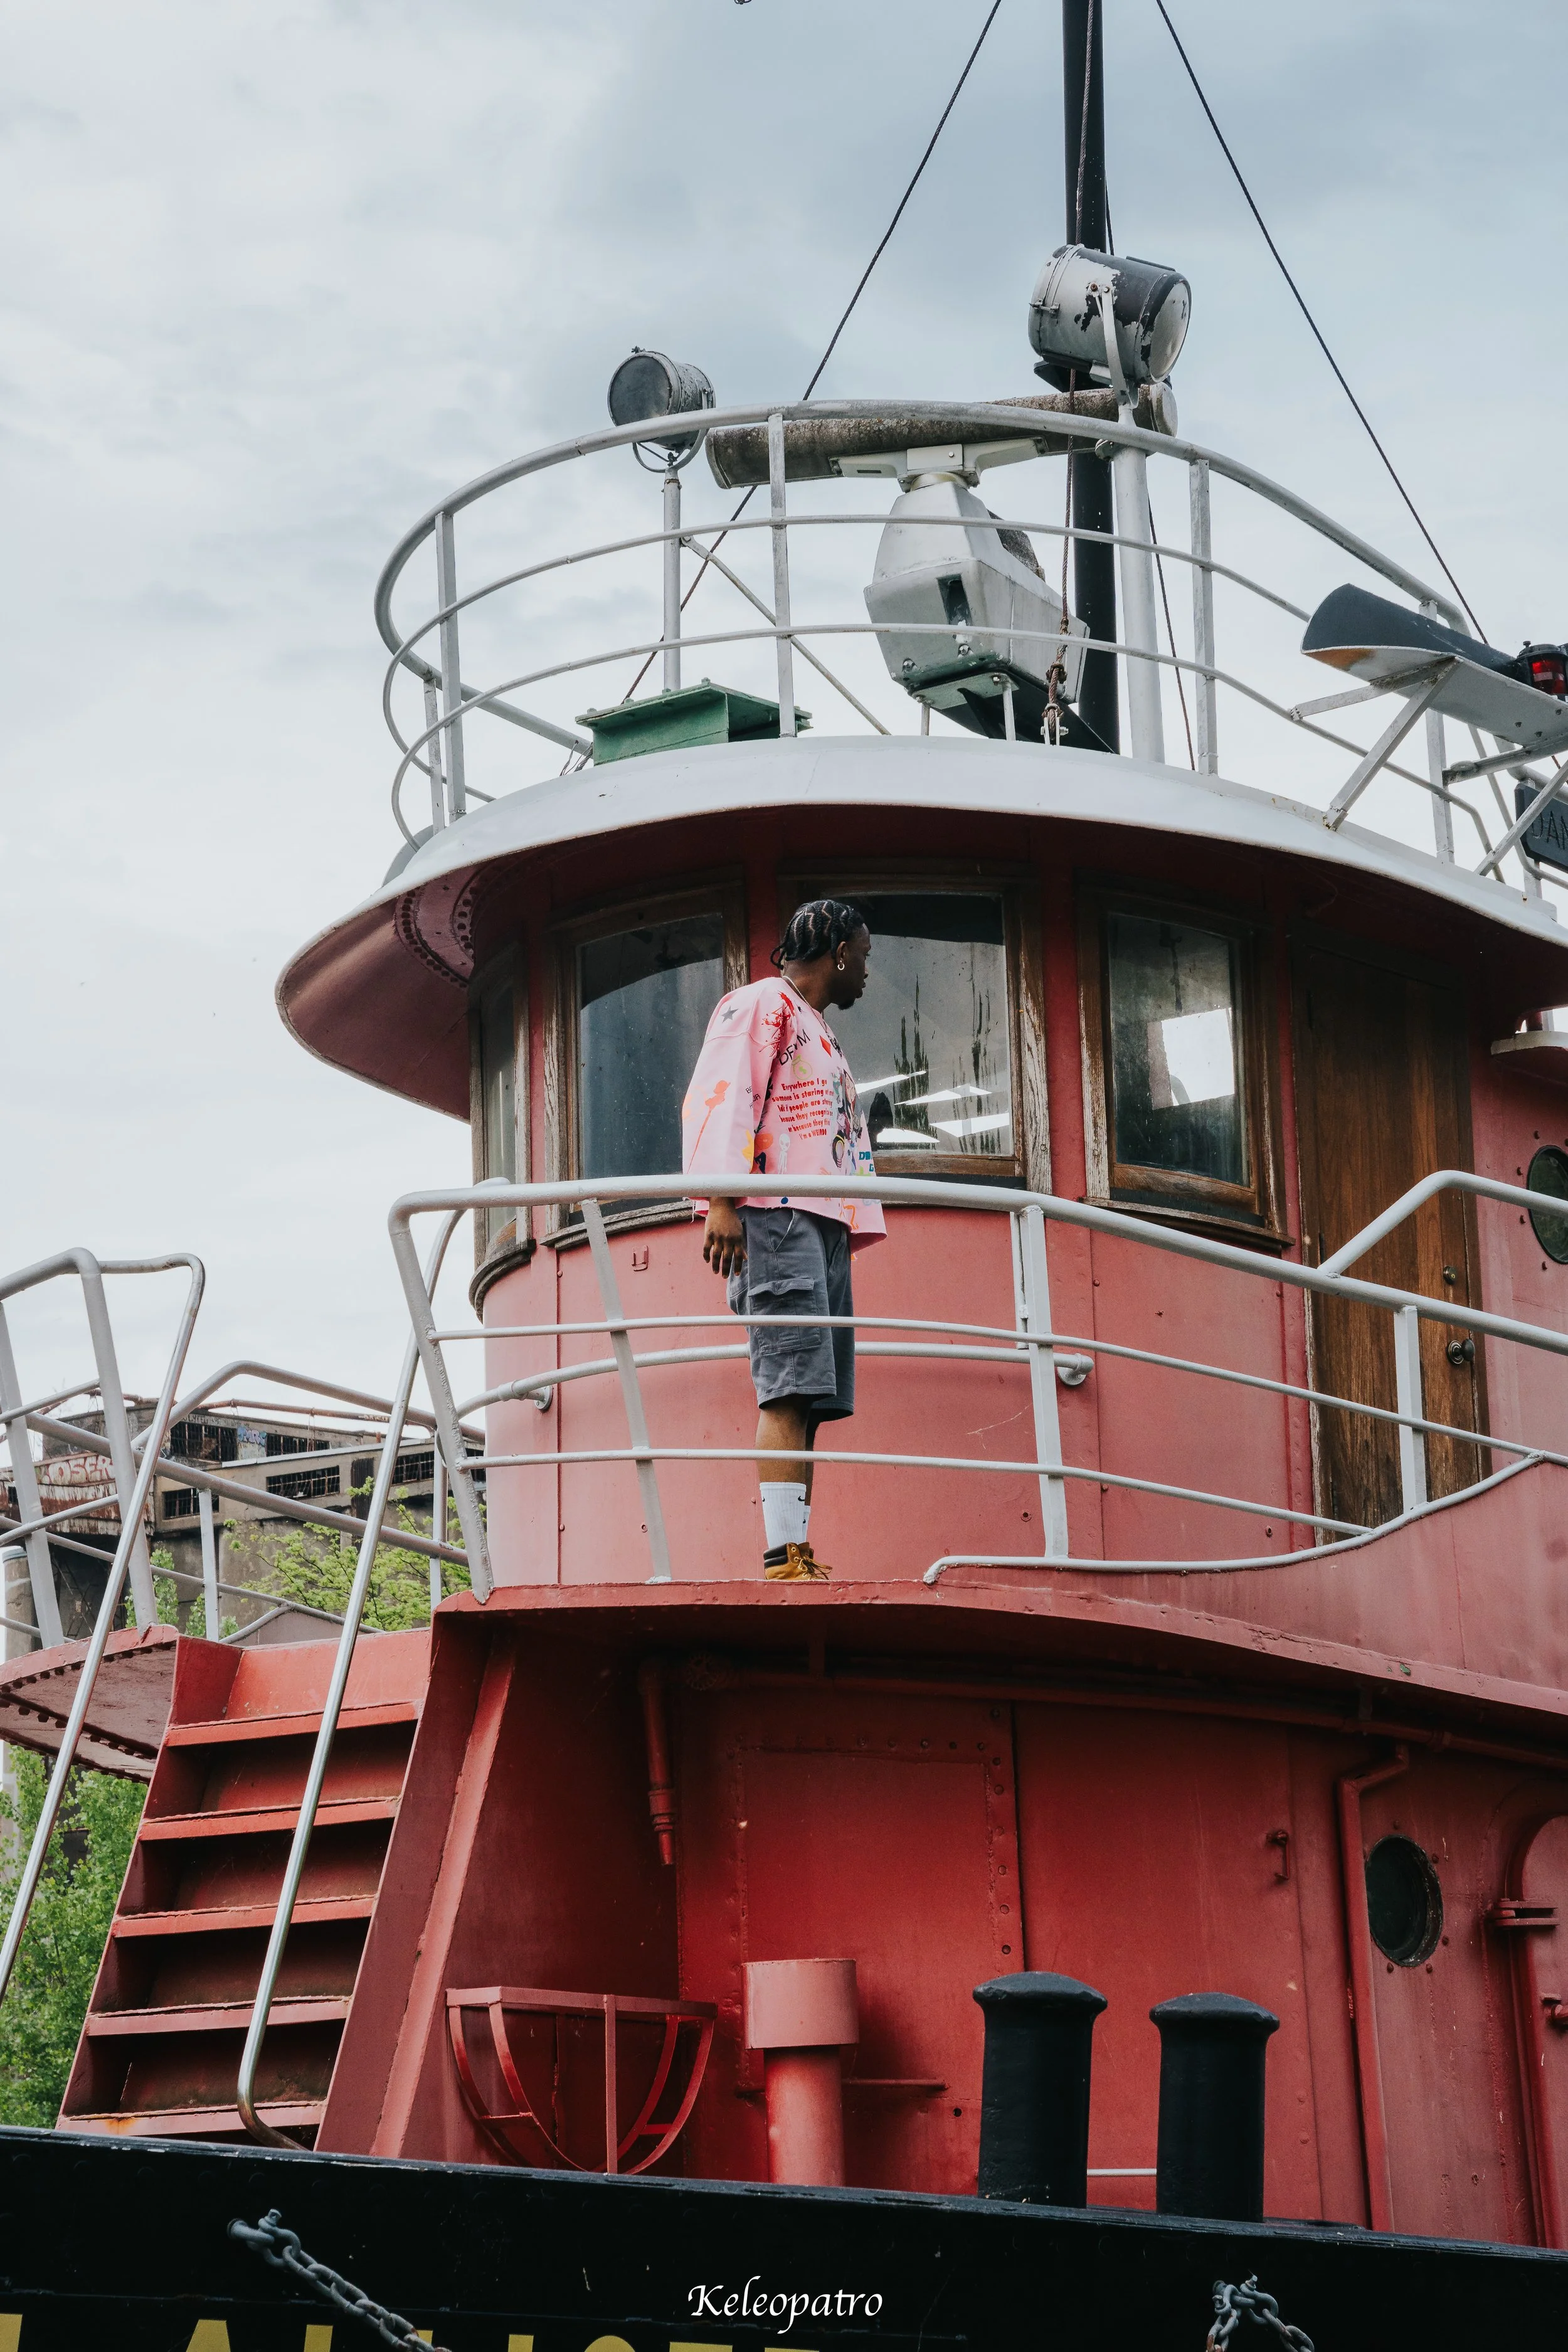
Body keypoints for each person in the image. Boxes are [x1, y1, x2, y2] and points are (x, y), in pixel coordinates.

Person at [681, 899, 884, 1581]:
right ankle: (780, 1556)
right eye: (863, 954)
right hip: (778, 1215)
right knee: (788, 1388)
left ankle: (797, 1546)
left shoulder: (816, 1026)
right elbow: (723, 1088)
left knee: (814, 1398)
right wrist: (720, 1198)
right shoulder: (761, 1003)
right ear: (838, 953)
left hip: (820, 1220)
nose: (866, 972)